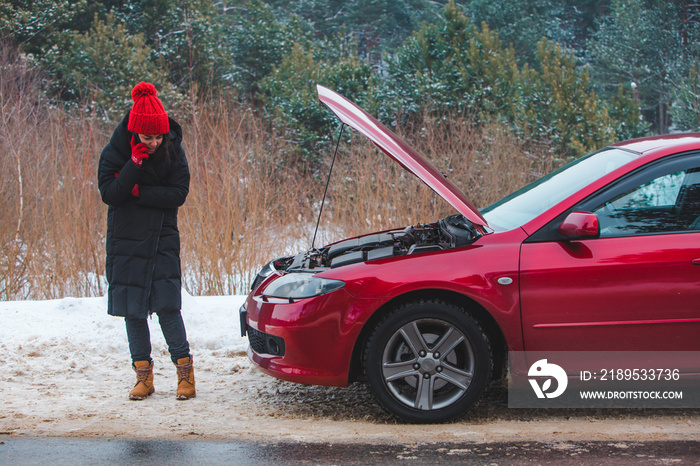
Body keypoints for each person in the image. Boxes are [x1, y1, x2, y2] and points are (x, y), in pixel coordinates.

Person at [98, 82, 195, 400]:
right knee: (133, 310)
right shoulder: (115, 151)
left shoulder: (173, 149)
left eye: (158, 137)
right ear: (134, 133)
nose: (153, 142)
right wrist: (134, 165)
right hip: (125, 240)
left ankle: (185, 374)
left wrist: (138, 191)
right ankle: (143, 377)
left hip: (162, 238)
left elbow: (178, 194)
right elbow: (110, 193)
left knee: (168, 307)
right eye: (146, 137)